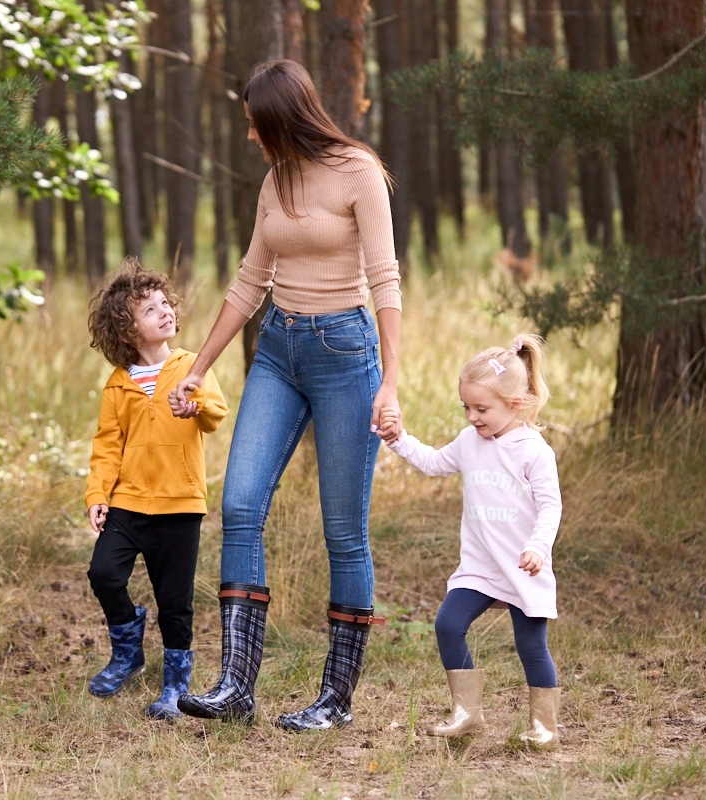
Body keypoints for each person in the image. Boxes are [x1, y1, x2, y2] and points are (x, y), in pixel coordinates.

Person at [169, 59, 403, 731]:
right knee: (240, 504)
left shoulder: (358, 171)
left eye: (255, 124)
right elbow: (251, 279)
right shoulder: (275, 180)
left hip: (346, 355)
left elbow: (385, 279)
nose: (250, 136)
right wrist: (199, 369)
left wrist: (391, 383)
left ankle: (336, 701)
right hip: (277, 349)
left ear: (282, 120)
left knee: (343, 529)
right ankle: (235, 689)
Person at [380, 333, 562, 747]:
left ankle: (545, 727)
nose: (472, 417)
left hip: (523, 565)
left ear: (515, 403)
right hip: (479, 567)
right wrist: (398, 440)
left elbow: (551, 507)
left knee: (530, 645)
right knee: (448, 624)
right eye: (466, 407)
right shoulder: (468, 443)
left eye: (481, 409)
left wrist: (537, 547)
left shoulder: (534, 452)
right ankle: (467, 714)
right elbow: (433, 462)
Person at [83, 260, 229, 719]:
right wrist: (98, 495)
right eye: (150, 309)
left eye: (166, 303)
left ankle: (175, 685)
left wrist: (196, 404)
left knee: (174, 602)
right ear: (128, 331)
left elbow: (216, 413)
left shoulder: (191, 366)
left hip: (179, 504)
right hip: (127, 504)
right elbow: (107, 445)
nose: (165, 311)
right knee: (103, 574)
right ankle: (128, 651)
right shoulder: (118, 384)